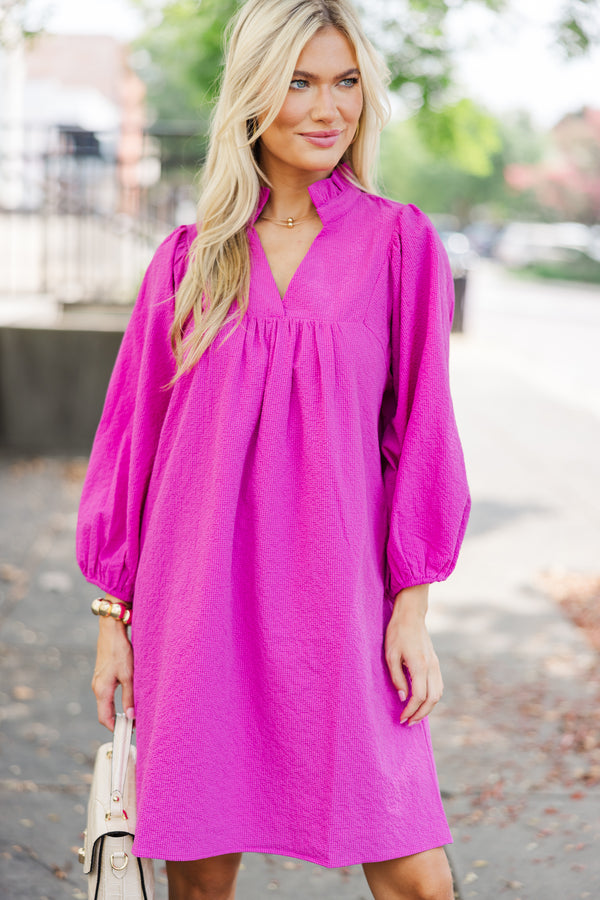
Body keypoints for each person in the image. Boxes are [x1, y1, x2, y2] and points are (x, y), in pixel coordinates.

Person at [76, 1, 470, 898]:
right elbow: (133, 444)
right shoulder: (190, 259)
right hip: (197, 603)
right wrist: (111, 621)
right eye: (300, 83)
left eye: (346, 82)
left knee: (416, 877)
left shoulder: (398, 242)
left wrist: (411, 608)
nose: (329, 108)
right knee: (200, 880)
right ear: (254, 95)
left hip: (341, 602)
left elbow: (424, 433)